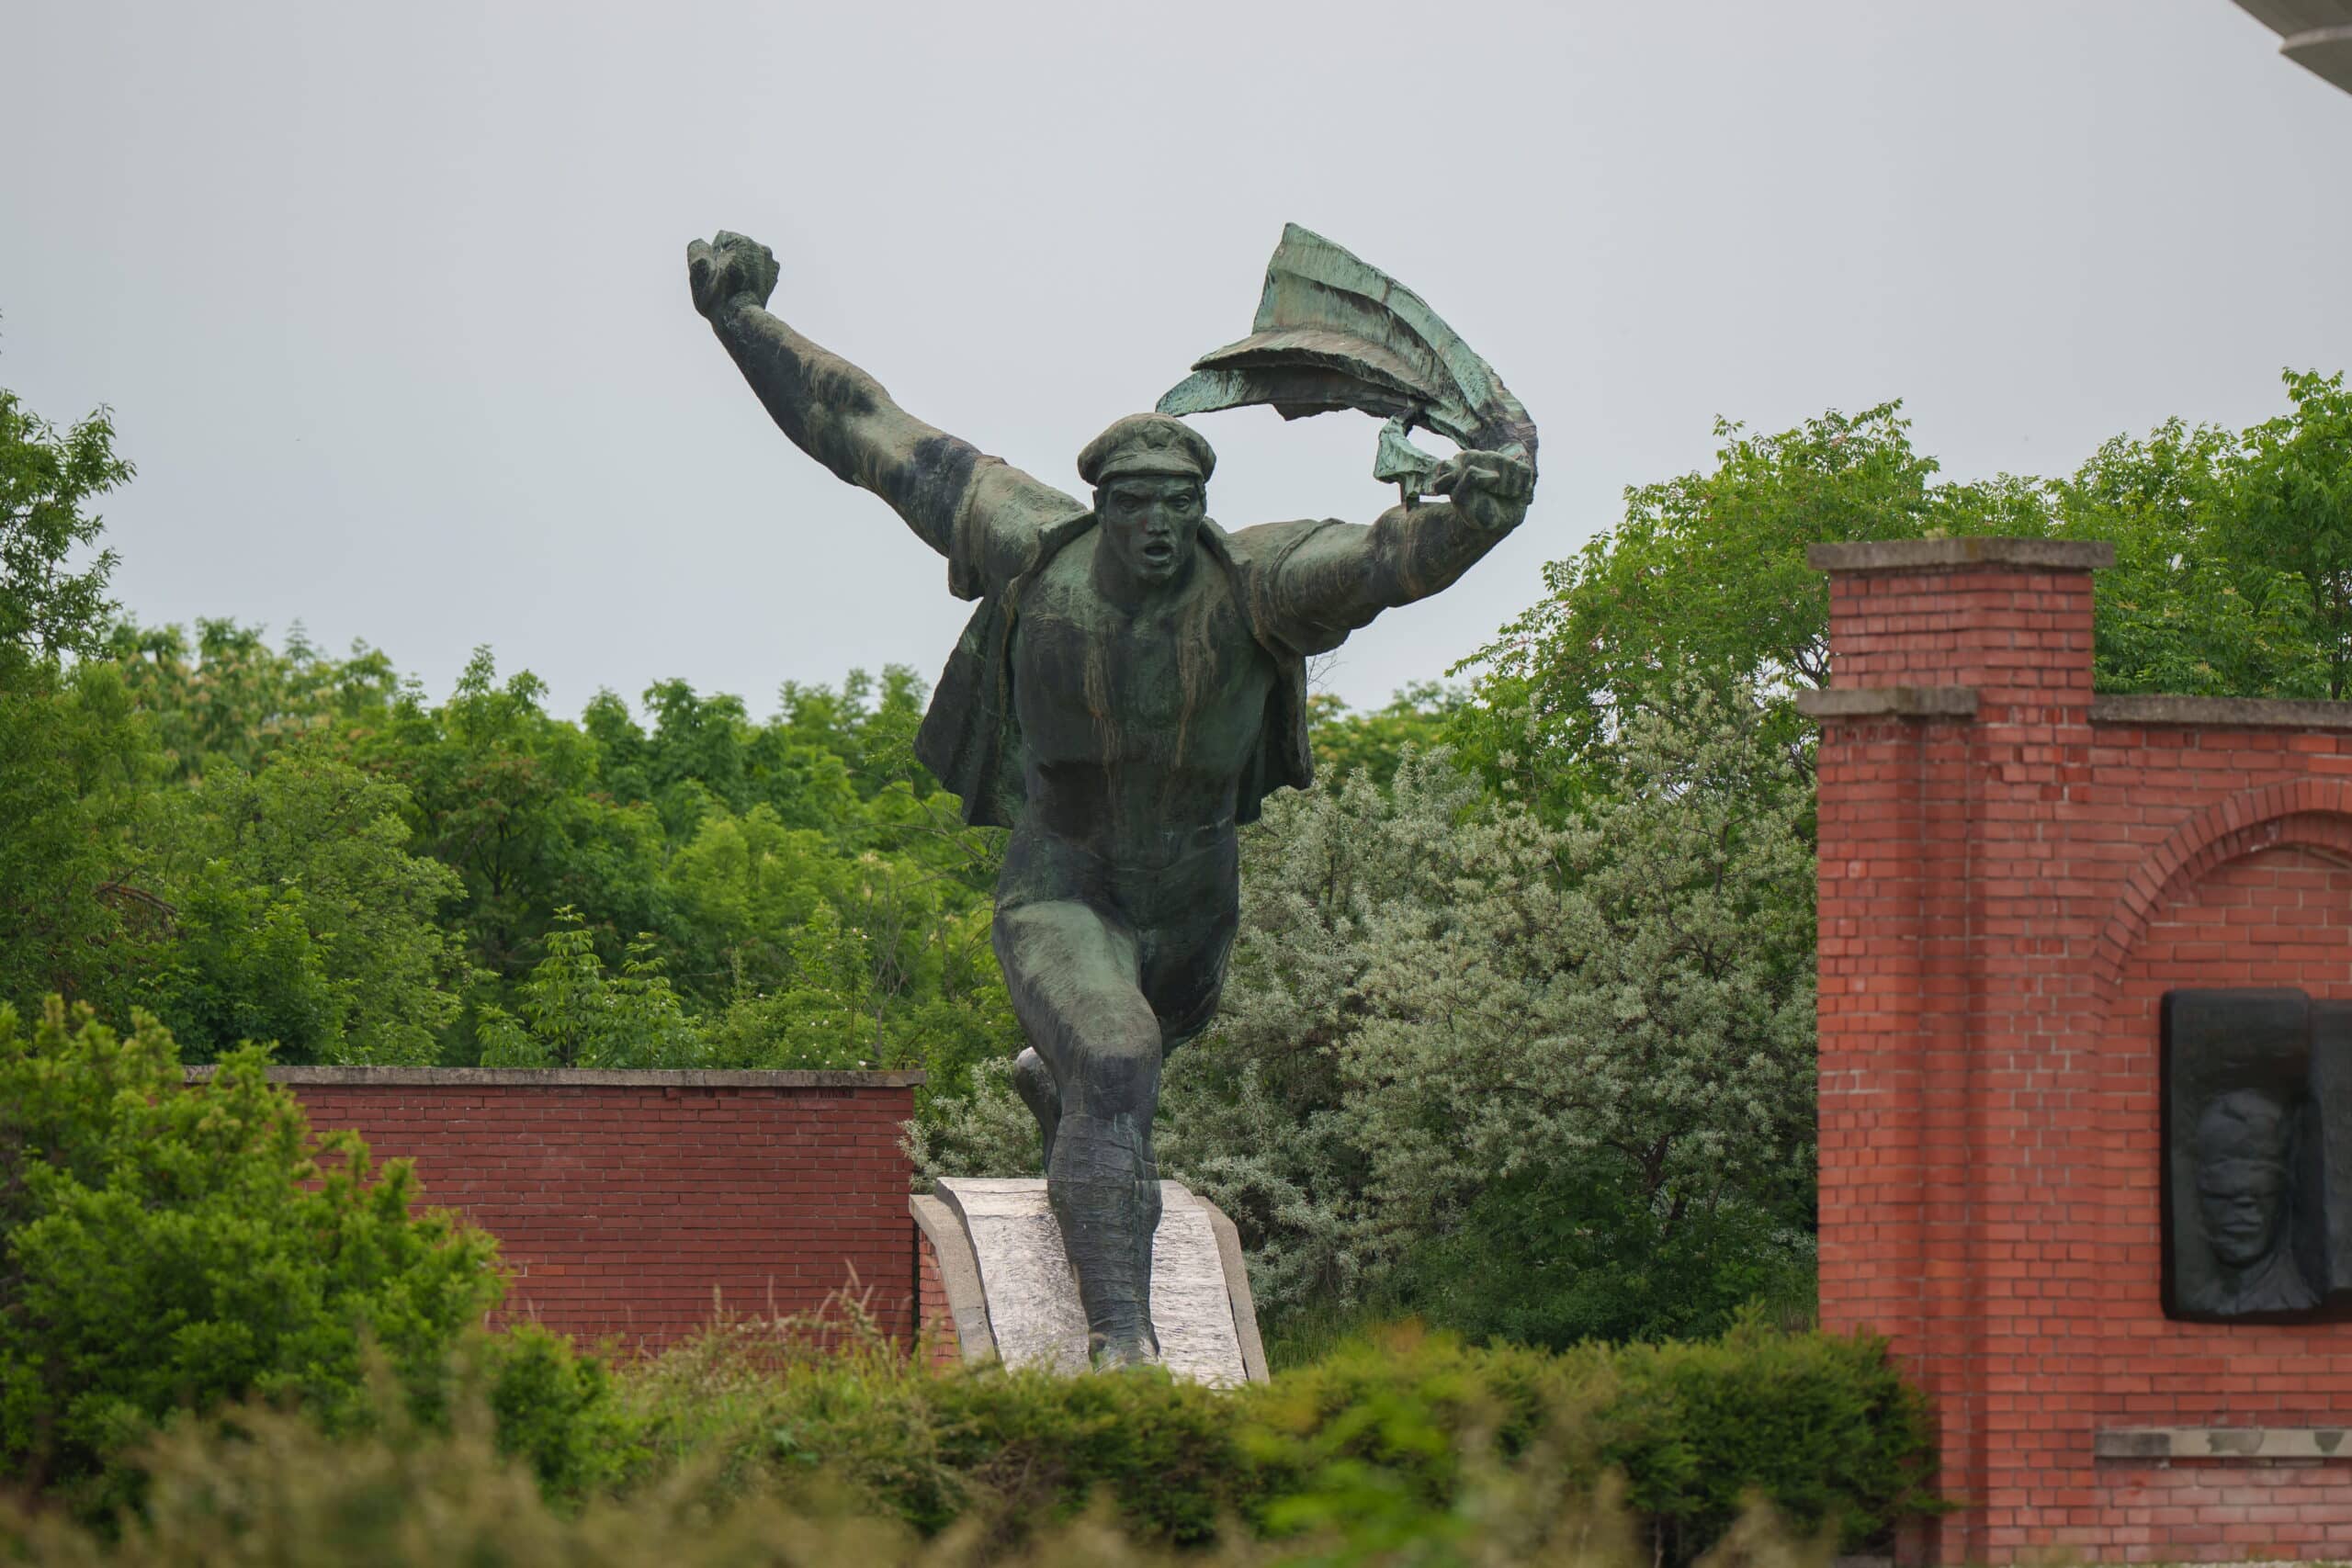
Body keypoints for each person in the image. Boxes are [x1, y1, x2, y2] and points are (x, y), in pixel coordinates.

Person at [687, 231, 1535, 1366]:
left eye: (1178, 503)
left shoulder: (1259, 586)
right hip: (1063, 887)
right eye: (1135, 502)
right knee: (1119, 1057)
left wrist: (1477, 513)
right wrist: (740, 319)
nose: (1158, 525)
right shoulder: (1028, 545)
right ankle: (1122, 1341)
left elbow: (1389, 556)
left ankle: (1065, 1095)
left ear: (1201, 507)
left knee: (1116, 1071)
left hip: (1193, 910)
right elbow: (866, 430)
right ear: (1101, 504)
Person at [2188, 1089, 2317, 1316]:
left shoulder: (2298, 1295)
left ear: (2283, 1194)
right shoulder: (2202, 1298)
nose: (2243, 1207)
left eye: (2259, 1191)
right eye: (2221, 1192)